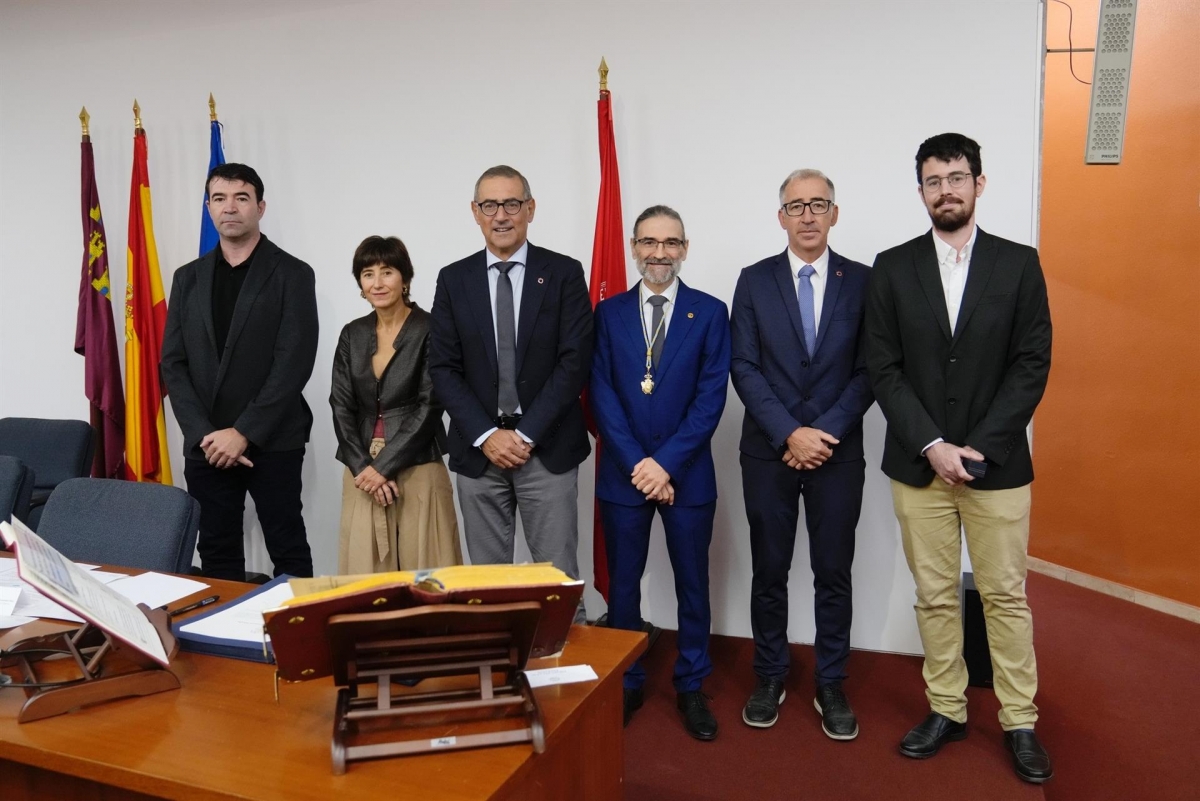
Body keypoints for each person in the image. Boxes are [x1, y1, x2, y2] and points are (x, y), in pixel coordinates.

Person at [864, 133, 1053, 783]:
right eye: (933, 180)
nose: (946, 189)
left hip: (997, 466)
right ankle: (946, 707)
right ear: (920, 191)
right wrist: (933, 444)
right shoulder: (891, 267)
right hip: (918, 466)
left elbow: (1032, 363)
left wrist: (983, 444)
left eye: (957, 177)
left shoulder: (1019, 264)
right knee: (935, 595)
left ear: (979, 183)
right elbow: (882, 367)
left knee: (1004, 594)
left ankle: (1019, 718)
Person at [730, 169, 873, 740]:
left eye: (819, 204)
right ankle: (770, 676)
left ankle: (831, 682)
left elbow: (871, 370)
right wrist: (789, 432)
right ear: (781, 216)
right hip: (769, 453)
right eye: (796, 206)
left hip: (838, 454)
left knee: (832, 573)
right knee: (770, 571)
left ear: (835, 213)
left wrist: (822, 434)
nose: (808, 215)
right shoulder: (753, 280)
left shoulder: (863, 282)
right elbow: (743, 366)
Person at [428, 165, 593, 619]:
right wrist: (486, 434)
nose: (501, 215)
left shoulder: (563, 273)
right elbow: (442, 367)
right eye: (490, 205)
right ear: (475, 213)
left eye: (512, 203)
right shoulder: (453, 279)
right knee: (486, 589)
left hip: (547, 449)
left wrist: (526, 434)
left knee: (556, 582)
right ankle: (500, 681)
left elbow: (574, 361)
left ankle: (567, 678)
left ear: (530, 209)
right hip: (479, 453)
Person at [591, 205, 730, 741]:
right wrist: (638, 465)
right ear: (633, 247)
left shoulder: (710, 312)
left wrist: (665, 464)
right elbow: (601, 393)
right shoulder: (608, 314)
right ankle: (628, 681)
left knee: (693, 586)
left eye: (670, 243)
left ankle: (692, 685)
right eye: (649, 242)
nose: (659, 253)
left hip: (687, 477)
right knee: (624, 589)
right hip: (624, 476)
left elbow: (711, 397)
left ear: (685, 248)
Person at [161, 163, 318, 580]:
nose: (230, 207)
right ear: (209, 208)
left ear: (260, 207)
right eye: (219, 198)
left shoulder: (293, 274)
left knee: (287, 546)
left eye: (241, 197)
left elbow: (294, 362)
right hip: (207, 443)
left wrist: (243, 432)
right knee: (216, 552)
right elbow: (173, 363)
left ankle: (299, 643)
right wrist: (203, 434)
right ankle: (224, 644)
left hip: (273, 440)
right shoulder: (187, 279)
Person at [329, 235, 462, 574]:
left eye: (387, 271)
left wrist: (383, 467)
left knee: (428, 572)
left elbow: (430, 404)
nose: (378, 282)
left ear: (405, 278)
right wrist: (364, 469)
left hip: (418, 463)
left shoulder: (432, 328)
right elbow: (341, 405)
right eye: (368, 273)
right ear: (360, 282)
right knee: (364, 575)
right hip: (361, 468)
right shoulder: (351, 333)